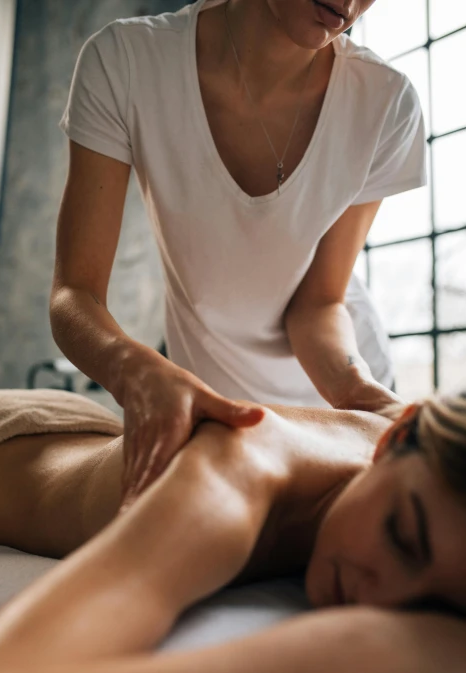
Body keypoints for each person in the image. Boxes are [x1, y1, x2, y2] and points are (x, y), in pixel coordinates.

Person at [0, 388, 466, 673]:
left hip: (87, 432)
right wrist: (378, 647)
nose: (383, 600)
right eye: (403, 538)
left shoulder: (422, 464)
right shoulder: (232, 482)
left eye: (438, 610)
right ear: (391, 440)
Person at [51, 0, 427, 503]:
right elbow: (75, 293)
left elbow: (318, 304)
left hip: (343, 399)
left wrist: (364, 398)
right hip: (219, 407)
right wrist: (132, 368)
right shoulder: (127, 61)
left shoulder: (385, 101)